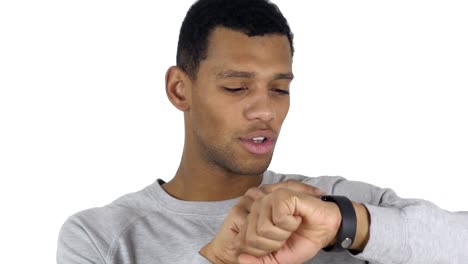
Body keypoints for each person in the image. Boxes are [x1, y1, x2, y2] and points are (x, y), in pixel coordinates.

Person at [57, 0, 468, 263]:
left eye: (280, 88)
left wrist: (343, 223)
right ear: (179, 89)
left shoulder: (324, 199)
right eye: (236, 87)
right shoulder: (99, 237)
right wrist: (219, 259)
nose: (265, 110)